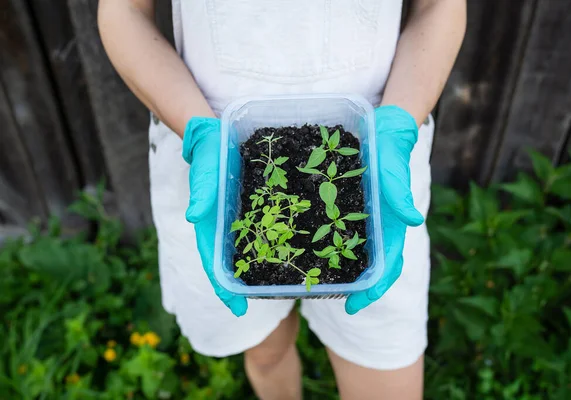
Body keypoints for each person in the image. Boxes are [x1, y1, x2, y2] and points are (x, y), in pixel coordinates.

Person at [98, 0, 466, 398]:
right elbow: (124, 13)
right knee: (266, 349)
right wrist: (200, 131)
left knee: (385, 369)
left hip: (375, 151)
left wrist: (399, 122)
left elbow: (438, 7)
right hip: (210, 144)